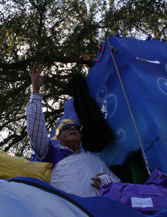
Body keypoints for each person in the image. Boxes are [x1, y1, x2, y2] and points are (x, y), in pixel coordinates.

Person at [26, 62, 120, 197]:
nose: (72, 128)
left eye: (75, 127)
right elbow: (36, 133)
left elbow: (120, 187)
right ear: (59, 138)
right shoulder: (52, 155)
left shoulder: (94, 160)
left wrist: (108, 182)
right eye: (66, 127)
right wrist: (35, 91)